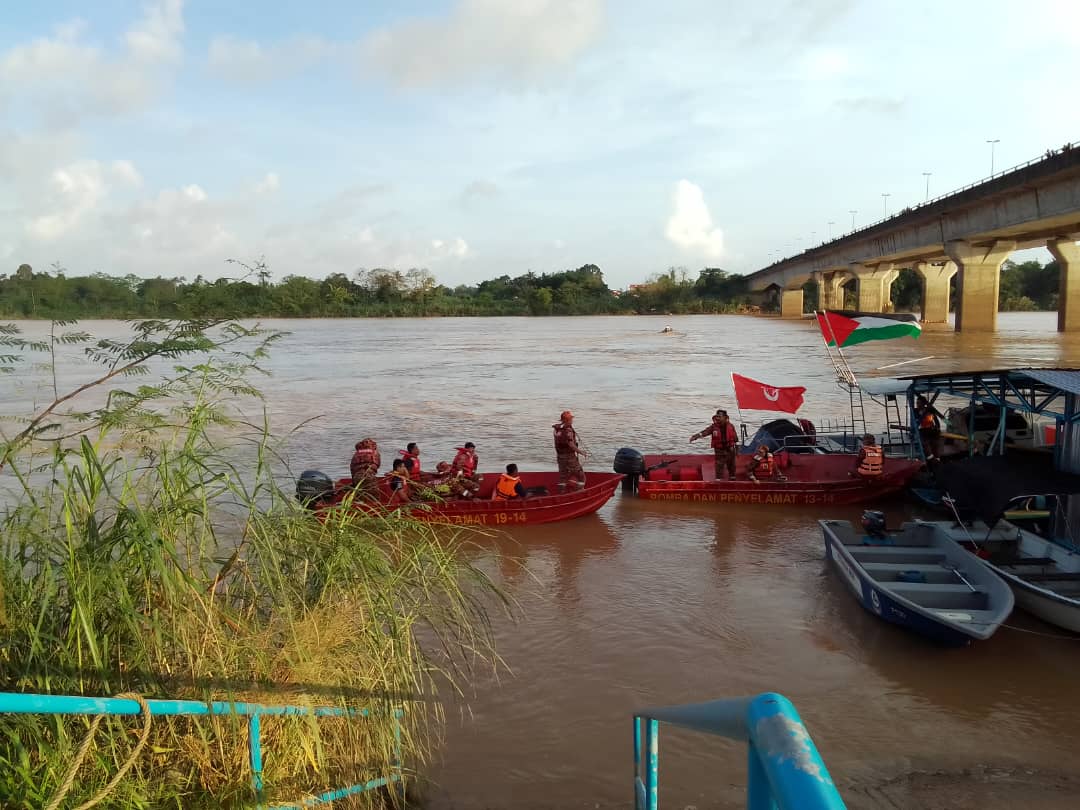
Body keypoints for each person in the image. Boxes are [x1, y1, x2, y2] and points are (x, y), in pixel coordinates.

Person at [690, 410, 739, 480]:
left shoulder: (731, 426)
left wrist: (737, 449)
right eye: (717, 416)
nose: (718, 418)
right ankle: (719, 479)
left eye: (720, 417)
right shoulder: (713, 427)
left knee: (731, 464)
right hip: (719, 449)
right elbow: (705, 432)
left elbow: (735, 438)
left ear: (725, 417)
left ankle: (732, 477)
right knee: (719, 464)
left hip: (730, 448)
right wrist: (695, 436)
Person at [553, 410, 587, 492]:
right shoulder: (568, 431)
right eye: (571, 419)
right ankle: (579, 491)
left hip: (560, 456)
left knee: (563, 476)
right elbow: (571, 444)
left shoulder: (556, 430)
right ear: (567, 420)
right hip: (570, 457)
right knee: (581, 475)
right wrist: (581, 452)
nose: (572, 421)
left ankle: (561, 492)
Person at [915, 396, 943, 460]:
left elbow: (936, 421)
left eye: (919, 403)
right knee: (925, 441)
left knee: (935, 442)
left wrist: (938, 427)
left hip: (931, 429)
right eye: (917, 403)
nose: (917, 405)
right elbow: (915, 422)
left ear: (924, 403)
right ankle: (931, 457)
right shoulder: (916, 411)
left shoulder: (930, 410)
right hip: (923, 430)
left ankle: (937, 457)